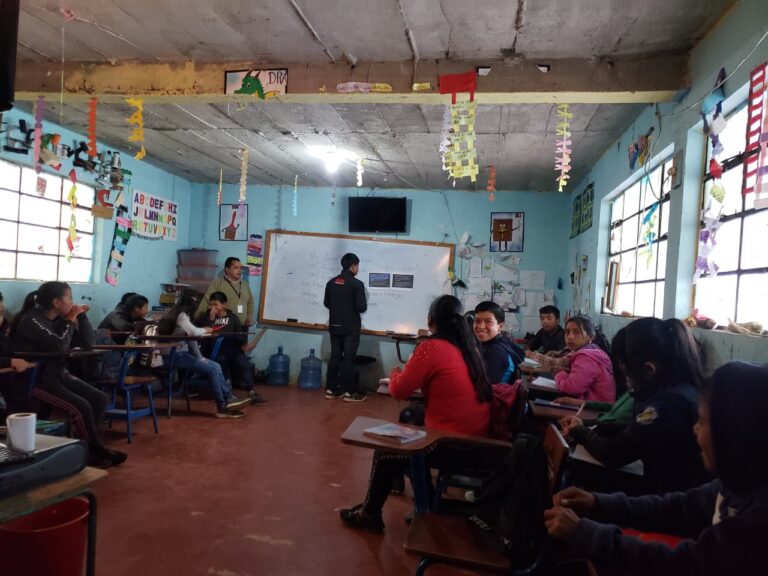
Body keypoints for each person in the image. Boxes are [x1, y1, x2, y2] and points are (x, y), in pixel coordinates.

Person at [545, 361, 768, 575]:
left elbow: (686, 565)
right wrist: (598, 503)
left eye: (702, 421)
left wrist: (586, 534)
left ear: (734, 432)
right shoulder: (736, 483)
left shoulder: (757, 520)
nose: (695, 429)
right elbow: (679, 507)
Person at [339, 295, 492, 532]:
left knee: (387, 451)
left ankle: (371, 514)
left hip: (453, 443)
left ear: (430, 320)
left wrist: (395, 372)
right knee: (410, 419)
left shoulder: (432, 347)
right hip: (477, 438)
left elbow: (399, 390)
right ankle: (423, 499)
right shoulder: (469, 347)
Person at [562, 318, 710, 494]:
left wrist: (580, 431)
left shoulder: (668, 404)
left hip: (667, 498)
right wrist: (589, 425)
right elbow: (636, 429)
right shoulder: (682, 388)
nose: (627, 380)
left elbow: (612, 453)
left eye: (627, 372)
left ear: (649, 369)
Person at [10, 282, 126, 468]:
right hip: (36, 379)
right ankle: (92, 450)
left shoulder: (59, 320)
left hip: (58, 374)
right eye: (69, 298)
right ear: (56, 302)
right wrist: (70, 320)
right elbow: (59, 347)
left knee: (99, 399)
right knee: (81, 407)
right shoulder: (31, 320)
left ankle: (89, 447)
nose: (72, 302)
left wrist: (82, 316)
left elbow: (88, 344)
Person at [158, 290, 250, 419]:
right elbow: (194, 333)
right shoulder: (182, 316)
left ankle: (229, 399)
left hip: (176, 354)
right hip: (175, 356)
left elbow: (191, 339)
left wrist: (200, 358)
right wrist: (206, 329)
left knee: (216, 366)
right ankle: (222, 407)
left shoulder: (174, 313)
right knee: (213, 370)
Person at [198, 291, 266, 405]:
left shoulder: (233, 318)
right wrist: (211, 319)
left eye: (215, 304)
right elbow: (203, 334)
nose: (212, 307)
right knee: (222, 361)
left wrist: (242, 345)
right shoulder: (207, 317)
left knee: (243, 363)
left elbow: (239, 336)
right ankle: (227, 394)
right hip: (215, 351)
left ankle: (251, 391)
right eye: (211, 305)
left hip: (232, 349)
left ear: (224, 304)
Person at [540, 316, 615, 402]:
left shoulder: (587, 356)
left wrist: (559, 373)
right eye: (567, 332)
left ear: (590, 337)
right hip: (587, 403)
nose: (570, 337)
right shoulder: (591, 350)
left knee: (537, 396)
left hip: (593, 408)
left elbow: (571, 387)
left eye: (577, 332)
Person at [324, 253, 367, 402]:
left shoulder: (331, 283)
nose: (358, 268)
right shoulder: (357, 284)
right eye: (357, 266)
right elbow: (361, 307)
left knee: (335, 356)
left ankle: (331, 390)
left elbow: (327, 303)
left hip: (334, 326)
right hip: (350, 327)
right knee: (349, 359)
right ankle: (349, 392)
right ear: (353, 266)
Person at [472, 301, 522, 384]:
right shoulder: (489, 343)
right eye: (477, 321)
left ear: (500, 326)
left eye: (488, 321)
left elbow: (484, 386)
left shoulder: (496, 350)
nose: (480, 326)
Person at [196, 257, 253, 326]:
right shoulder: (217, 283)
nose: (239, 270)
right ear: (227, 269)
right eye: (236, 267)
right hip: (223, 326)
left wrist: (249, 317)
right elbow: (207, 300)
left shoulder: (245, 285)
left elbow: (250, 303)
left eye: (240, 268)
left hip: (243, 326)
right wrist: (197, 318)